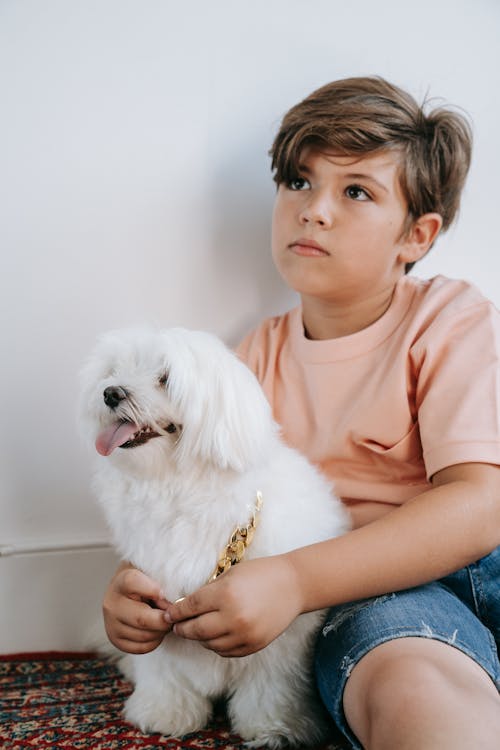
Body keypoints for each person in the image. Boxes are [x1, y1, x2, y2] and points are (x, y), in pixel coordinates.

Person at [102, 77, 500, 749]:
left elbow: (480, 505)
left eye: (356, 191)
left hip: (458, 562)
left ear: (417, 234)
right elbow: (188, 507)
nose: (314, 210)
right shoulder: (244, 366)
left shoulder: (450, 319)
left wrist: (291, 578)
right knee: (411, 686)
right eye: (297, 182)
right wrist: (137, 586)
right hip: (365, 599)